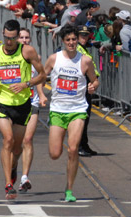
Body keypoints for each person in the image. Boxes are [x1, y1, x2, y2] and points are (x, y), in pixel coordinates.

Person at [0, 19, 47, 199]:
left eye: (12, 38)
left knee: (17, 148)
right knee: (8, 139)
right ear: (2, 35)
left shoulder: (27, 52)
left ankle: (14, 167)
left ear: (18, 37)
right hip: (2, 103)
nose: (9, 42)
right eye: (6, 37)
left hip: (22, 104)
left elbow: (42, 75)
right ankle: (8, 183)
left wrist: (26, 84)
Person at [42, 25, 99, 202]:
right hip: (58, 109)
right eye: (68, 40)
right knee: (54, 153)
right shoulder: (54, 59)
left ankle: (69, 190)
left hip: (78, 109)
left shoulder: (86, 60)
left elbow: (95, 80)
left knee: (73, 149)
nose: (72, 43)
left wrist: (92, 87)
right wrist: (41, 94)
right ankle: (67, 185)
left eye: (74, 39)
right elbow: (41, 77)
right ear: (63, 42)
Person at [15, 27, 48, 192]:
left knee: (27, 140)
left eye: (27, 38)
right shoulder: (9, 58)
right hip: (13, 104)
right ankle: (12, 169)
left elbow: (40, 78)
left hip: (31, 102)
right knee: (14, 143)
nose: (24, 40)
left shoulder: (36, 57)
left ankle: (24, 177)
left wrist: (41, 94)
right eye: (21, 37)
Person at [76, 25, 101, 157]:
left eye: (86, 35)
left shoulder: (83, 48)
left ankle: (84, 144)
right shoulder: (77, 49)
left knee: (86, 118)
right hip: (82, 87)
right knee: (82, 118)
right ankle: (79, 145)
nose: (84, 38)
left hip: (88, 85)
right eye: (81, 35)